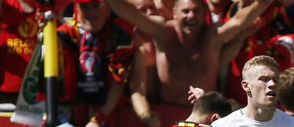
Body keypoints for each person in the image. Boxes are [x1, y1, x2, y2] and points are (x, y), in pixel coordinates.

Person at [103, 0, 275, 105]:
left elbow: (238, 22)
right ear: (175, 14)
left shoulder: (212, 36)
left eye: (196, 11)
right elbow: (134, 15)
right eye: (186, 11)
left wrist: (262, 3)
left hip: (206, 114)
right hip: (166, 112)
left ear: (204, 14)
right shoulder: (163, 31)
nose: (191, 16)